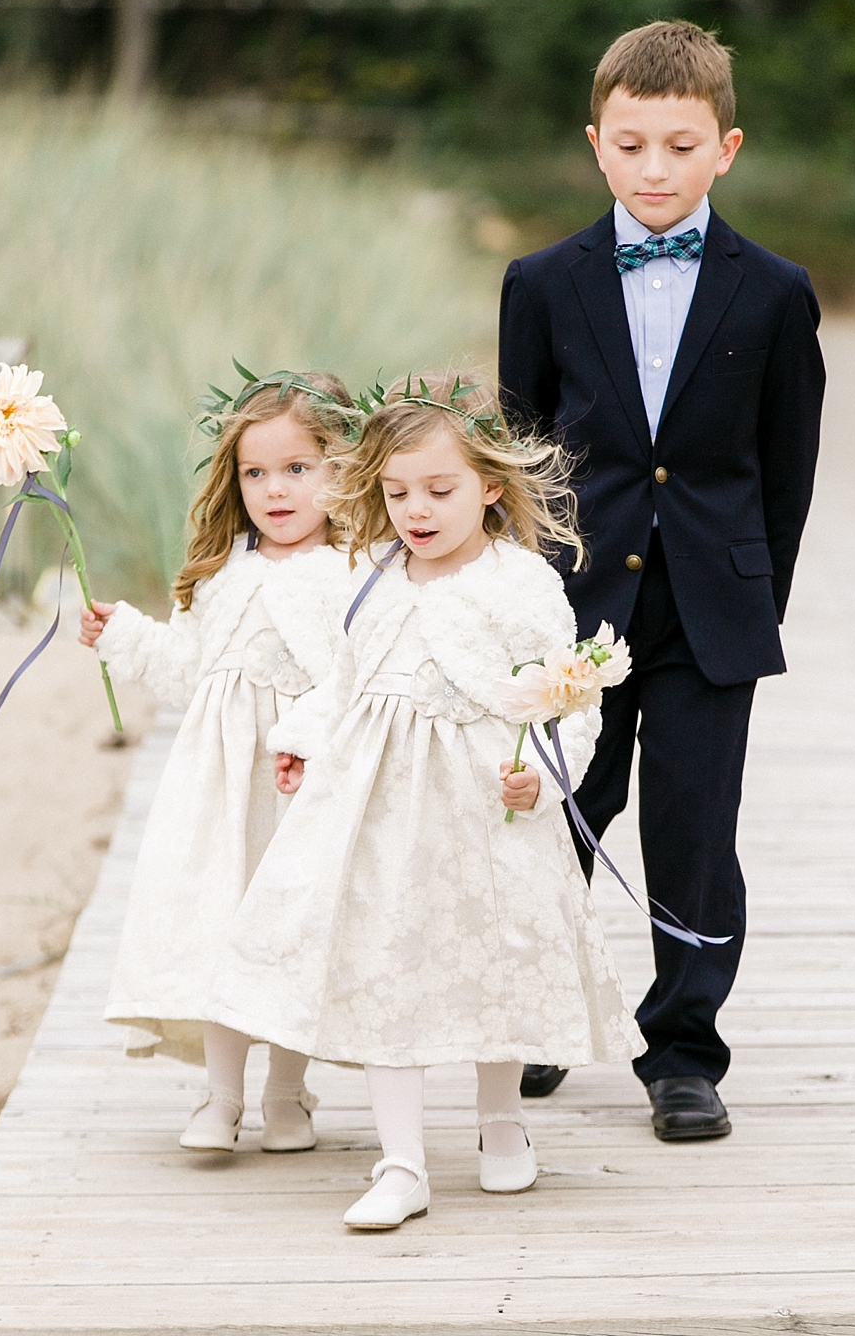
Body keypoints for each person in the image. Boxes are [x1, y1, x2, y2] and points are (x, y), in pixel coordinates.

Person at [207, 376, 641, 1229]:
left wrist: (546, 777)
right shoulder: (374, 577)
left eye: (439, 491)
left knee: (496, 953)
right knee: (383, 963)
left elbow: (566, 697)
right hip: (377, 810)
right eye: (397, 493)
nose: (417, 511)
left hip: (485, 804)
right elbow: (345, 682)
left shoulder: (521, 585)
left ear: (488, 485)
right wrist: (301, 738)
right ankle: (401, 1161)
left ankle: (501, 1120)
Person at [499, 20, 825, 1142]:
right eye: (630, 145)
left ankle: (681, 1051)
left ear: (723, 148)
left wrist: (749, 603)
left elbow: (787, 473)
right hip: (571, 607)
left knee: (692, 831)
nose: (652, 170)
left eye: (678, 147)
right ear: (595, 144)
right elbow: (522, 454)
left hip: (708, 612)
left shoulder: (774, 293)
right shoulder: (540, 283)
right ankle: (535, 1017)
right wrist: (524, 602)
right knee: (558, 815)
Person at [79, 372, 358, 1155]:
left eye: (298, 470)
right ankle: (219, 1094)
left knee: (290, 934)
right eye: (256, 473)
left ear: (339, 468)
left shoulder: (353, 574)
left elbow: (353, 681)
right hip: (216, 787)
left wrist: (306, 733)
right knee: (221, 928)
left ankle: (287, 1093)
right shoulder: (220, 573)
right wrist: (126, 637)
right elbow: (188, 673)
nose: (275, 490)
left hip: (298, 780)